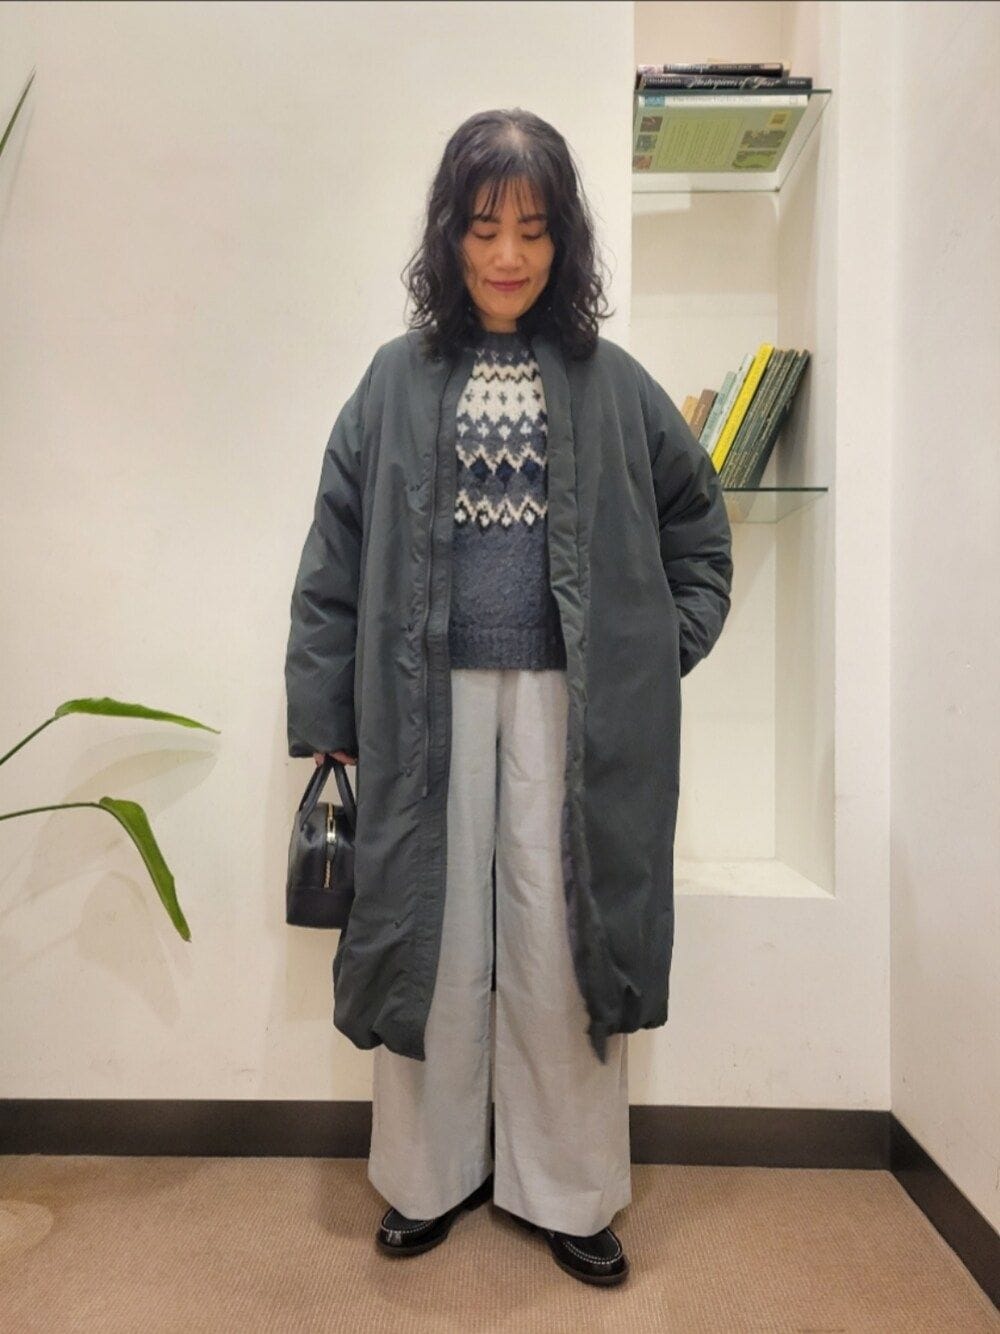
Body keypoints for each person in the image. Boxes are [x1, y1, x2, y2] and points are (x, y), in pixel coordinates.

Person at [285, 108, 733, 1288]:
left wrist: (655, 652)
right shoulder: (392, 381)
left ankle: (568, 1188)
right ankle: (424, 1177)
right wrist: (327, 718)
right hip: (420, 702)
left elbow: (699, 530)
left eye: (533, 229)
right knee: (430, 937)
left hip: (571, 710)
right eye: (485, 227)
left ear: (563, 241)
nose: (507, 254)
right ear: (449, 235)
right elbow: (334, 555)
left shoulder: (612, 383)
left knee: (560, 938)